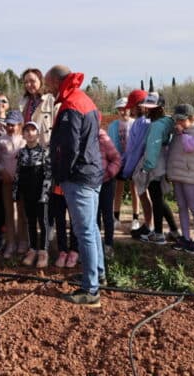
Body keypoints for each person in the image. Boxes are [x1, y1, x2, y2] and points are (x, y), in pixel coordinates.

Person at [46, 65, 104, 307]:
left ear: (58, 82)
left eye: (49, 85)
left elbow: (70, 148)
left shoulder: (71, 106)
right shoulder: (84, 100)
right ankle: (97, 273)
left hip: (79, 177)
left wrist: (60, 176)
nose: (48, 89)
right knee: (90, 228)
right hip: (91, 172)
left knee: (84, 232)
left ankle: (91, 291)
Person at [137, 93, 180, 244]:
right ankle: (174, 231)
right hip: (165, 161)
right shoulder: (168, 121)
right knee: (160, 199)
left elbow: (153, 148)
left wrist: (146, 168)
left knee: (156, 199)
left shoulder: (156, 126)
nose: (148, 111)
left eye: (151, 108)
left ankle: (159, 234)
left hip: (155, 164)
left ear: (159, 108)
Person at [167, 104, 194, 253]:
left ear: (192, 118)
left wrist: (182, 133)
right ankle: (185, 238)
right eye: (176, 120)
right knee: (182, 207)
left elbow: (190, 147)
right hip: (178, 175)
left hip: (189, 176)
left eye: (182, 120)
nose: (178, 123)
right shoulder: (179, 131)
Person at [14, 121, 52, 268]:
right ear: (23, 134)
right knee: (30, 221)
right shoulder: (21, 152)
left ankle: (44, 251)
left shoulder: (44, 152)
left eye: (33, 130)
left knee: (42, 221)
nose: (30, 133)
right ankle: (32, 249)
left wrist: (45, 194)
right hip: (27, 192)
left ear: (38, 133)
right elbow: (18, 173)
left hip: (41, 192)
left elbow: (48, 175)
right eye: (27, 130)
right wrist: (16, 192)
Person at [120, 89, 153, 235]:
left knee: (144, 195)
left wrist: (127, 169)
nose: (130, 110)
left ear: (140, 106)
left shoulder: (142, 123)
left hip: (141, 165)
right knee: (148, 195)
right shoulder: (143, 121)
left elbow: (136, 148)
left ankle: (149, 226)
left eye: (132, 106)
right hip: (143, 164)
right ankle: (151, 225)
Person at [0, 110, 27, 258]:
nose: (10, 127)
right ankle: (10, 243)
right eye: (8, 124)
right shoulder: (1, 140)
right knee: (9, 213)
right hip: (7, 181)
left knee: (22, 213)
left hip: (21, 182)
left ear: (20, 125)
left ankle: (23, 241)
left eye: (13, 125)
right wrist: (2, 171)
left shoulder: (24, 141)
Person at [107, 97, 139, 230]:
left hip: (133, 161)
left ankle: (135, 218)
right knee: (118, 189)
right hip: (119, 161)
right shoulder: (113, 126)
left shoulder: (136, 124)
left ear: (130, 109)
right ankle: (116, 217)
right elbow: (110, 144)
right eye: (120, 109)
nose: (123, 111)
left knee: (134, 189)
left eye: (125, 109)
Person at [97, 127, 121, 258]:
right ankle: (95, 247)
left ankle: (108, 245)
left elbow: (117, 159)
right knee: (93, 216)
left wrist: (108, 173)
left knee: (107, 215)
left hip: (106, 182)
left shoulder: (103, 139)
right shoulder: (82, 137)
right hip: (90, 184)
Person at [19, 68, 57, 147]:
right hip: (27, 147)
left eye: (32, 81)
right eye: (26, 82)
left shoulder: (51, 100)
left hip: (46, 148)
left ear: (41, 81)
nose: (29, 85)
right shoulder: (23, 102)